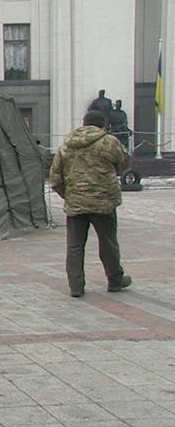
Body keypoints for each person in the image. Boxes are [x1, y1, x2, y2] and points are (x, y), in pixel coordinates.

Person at [49, 111, 131, 297]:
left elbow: (55, 177)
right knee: (108, 242)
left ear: (84, 124)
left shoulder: (66, 145)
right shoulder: (109, 142)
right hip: (104, 202)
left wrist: (69, 195)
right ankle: (115, 280)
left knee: (75, 246)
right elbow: (124, 163)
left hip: (76, 203)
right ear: (103, 126)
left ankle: (76, 286)